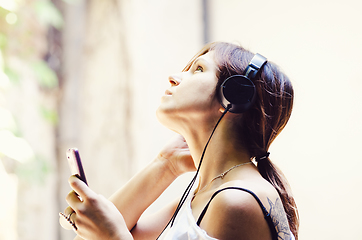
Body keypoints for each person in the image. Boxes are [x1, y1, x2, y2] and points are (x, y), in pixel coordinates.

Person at [60, 41, 299, 240]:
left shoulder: (236, 201)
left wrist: (114, 237)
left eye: (198, 70)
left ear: (233, 97)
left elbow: (113, 234)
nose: (174, 77)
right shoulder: (203, 196)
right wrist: (165, 164)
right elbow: (95, 236)